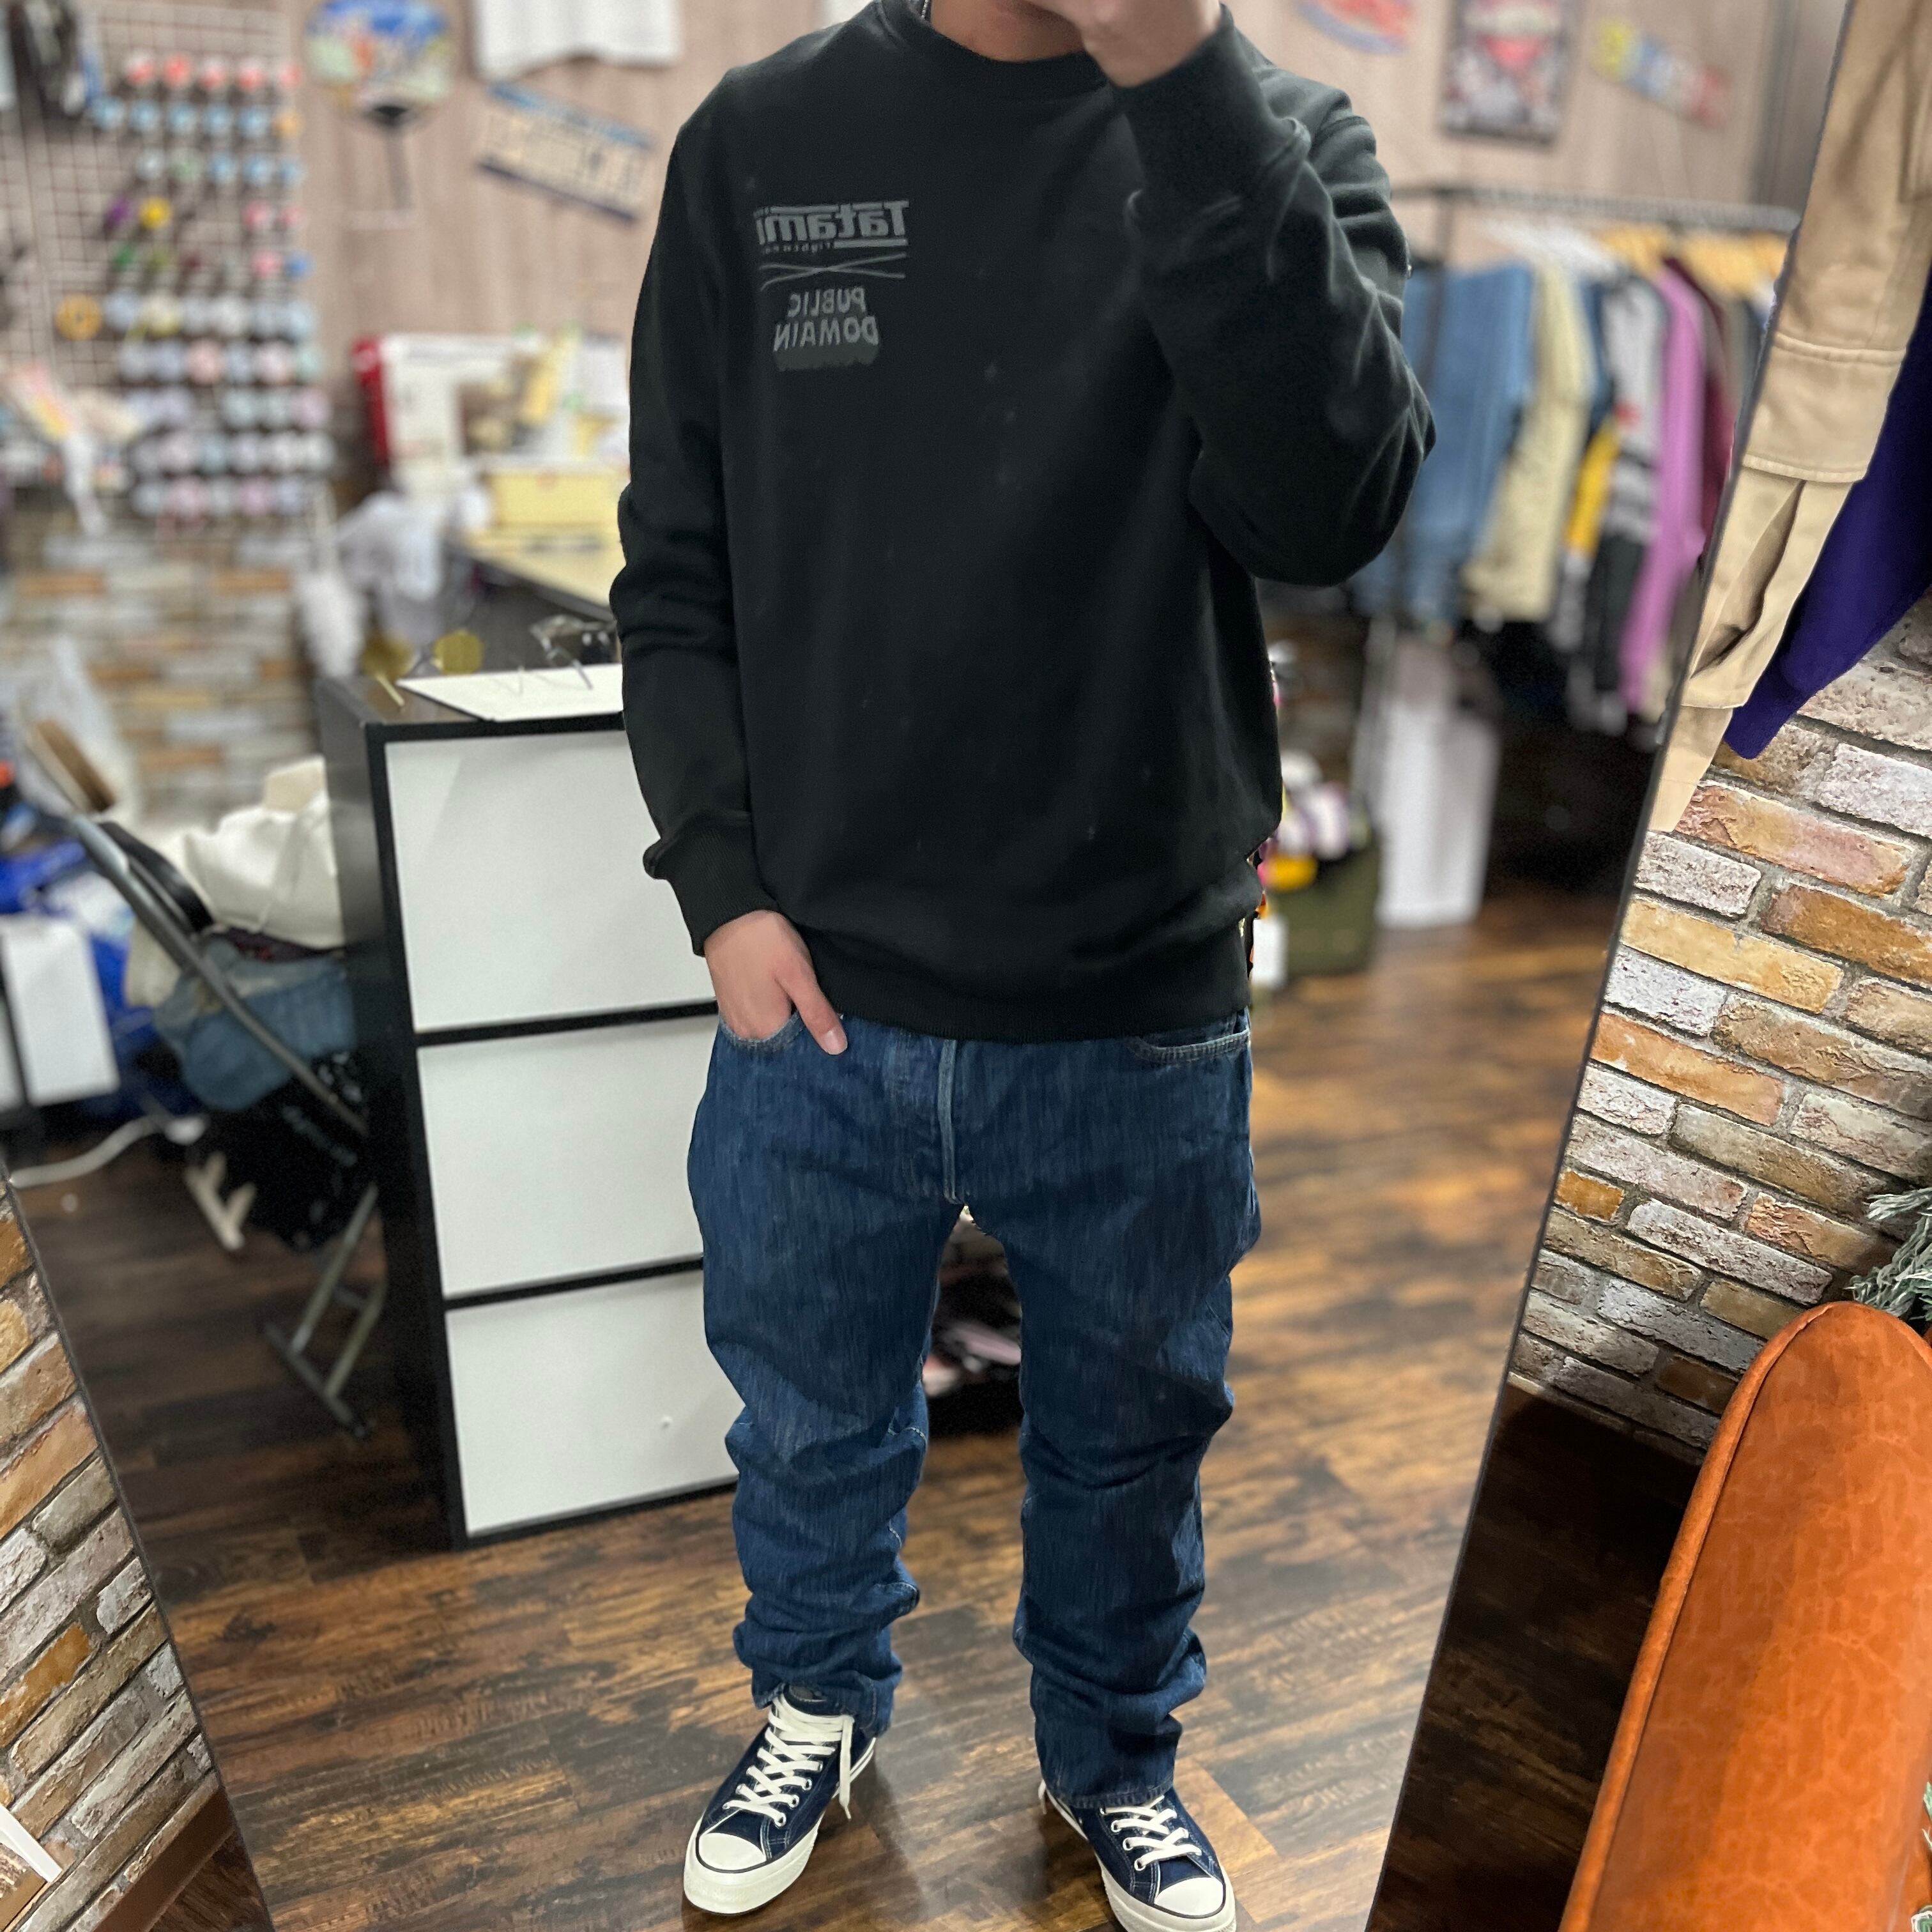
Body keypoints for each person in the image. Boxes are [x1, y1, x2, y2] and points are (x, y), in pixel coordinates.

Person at [612, 0, 1429, 1920]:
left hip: (1137, 992)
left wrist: (1180, 83)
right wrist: (722, 891)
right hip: (819, 990)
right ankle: (819, 1700)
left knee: (1133, 1435)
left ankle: (1114, 1753)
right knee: (809, 1419)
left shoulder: (1280, 133)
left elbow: (1328, 511)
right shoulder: (759, 139)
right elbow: (677, 563)